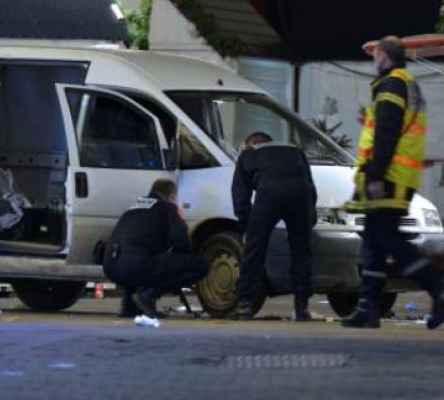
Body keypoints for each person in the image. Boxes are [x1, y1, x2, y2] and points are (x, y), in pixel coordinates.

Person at [343, 35, 444, 329]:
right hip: (397, 174)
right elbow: (392, 125)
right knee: (374, 242)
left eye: (375, 57)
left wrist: (375, 174)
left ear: (383, 57)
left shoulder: (391, 85)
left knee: (389, 239)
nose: (373, 62)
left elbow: (387, 131)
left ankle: (440, 290)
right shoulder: (407, 84)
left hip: (388, 177)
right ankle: (368, 308)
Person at [231, 131, 318, 321]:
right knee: (301, 251)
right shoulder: (296, 152)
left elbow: (240, 193)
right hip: (300, 196)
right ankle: (301, 306)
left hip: (269, 195)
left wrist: (246, 224)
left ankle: (245, 303)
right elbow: (310, 186)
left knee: (255, 251)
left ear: (252, 143)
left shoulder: (248, 154)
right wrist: (310, 217)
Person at [104, 179, 209, 319]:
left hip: (112, 268)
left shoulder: (133, 207)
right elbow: (181, 241)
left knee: (138, 257)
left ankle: (129, 306)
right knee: (199, 267)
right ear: (171, 196)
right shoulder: (167, 207)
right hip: (136, 266)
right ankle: (149, 293)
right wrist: (181, 222)